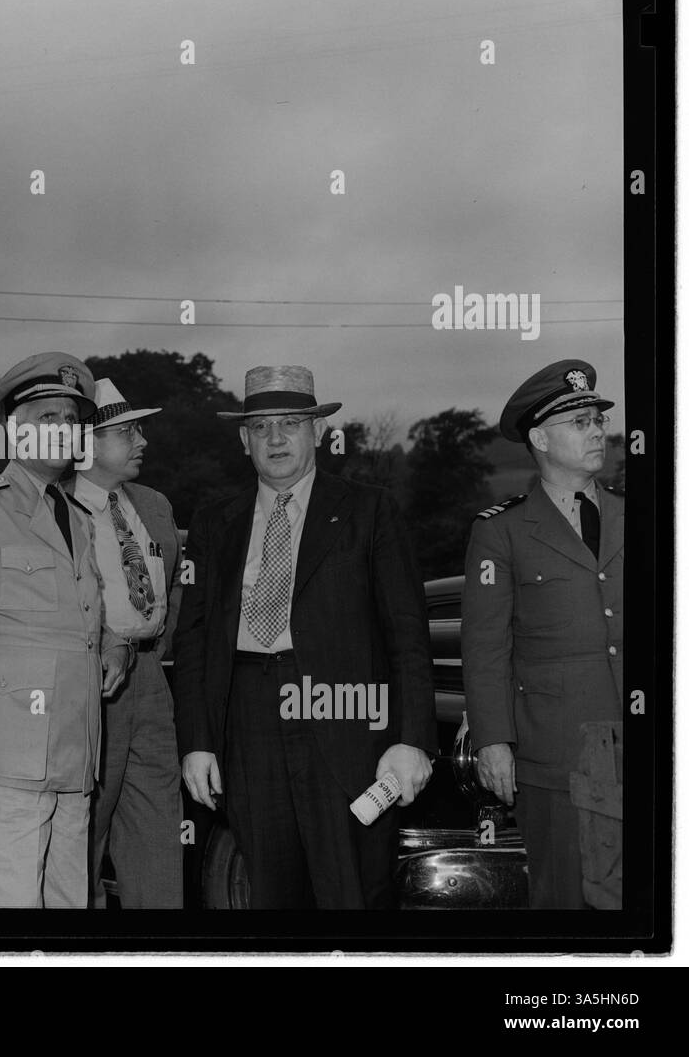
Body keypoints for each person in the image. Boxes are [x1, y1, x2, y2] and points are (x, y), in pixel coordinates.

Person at [173, 364, 435, 908]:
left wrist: (412, 740)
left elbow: (407, 635)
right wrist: (197, 742)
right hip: (246, 724)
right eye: (261, 427)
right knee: (270, 895)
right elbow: (194, 640)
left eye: (290, 423)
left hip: (346, 720)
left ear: (317, 432)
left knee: (354, 894)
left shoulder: (370, 510)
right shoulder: (213, 522)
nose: (275, 439)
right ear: (244, 441)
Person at [0, 352, 132, 907]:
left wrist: (110, 642)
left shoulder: (78, 518)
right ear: (14, 430)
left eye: (70, 418)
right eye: (45, 418)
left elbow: (77, 617)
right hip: (2, 764)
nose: (61, 430)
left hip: (71, 760)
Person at [462, 359, 623, 908]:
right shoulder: (501, 531)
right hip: (558, 753)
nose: (598, 430)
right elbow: (485, 647)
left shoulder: (644, 516)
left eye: (597, 419)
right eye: (579, 422)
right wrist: (493, 741)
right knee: (566, 901)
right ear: (540, 439)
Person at [70, 378, 184, 908]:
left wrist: (152, 659)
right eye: (128, 431)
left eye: (140, 429)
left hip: (150, 679)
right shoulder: (55, 505)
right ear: (86, 441)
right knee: (83, 827)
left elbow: (175, 587)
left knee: (158, 829)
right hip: (88, 681)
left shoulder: (155, 505)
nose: (142, 441)